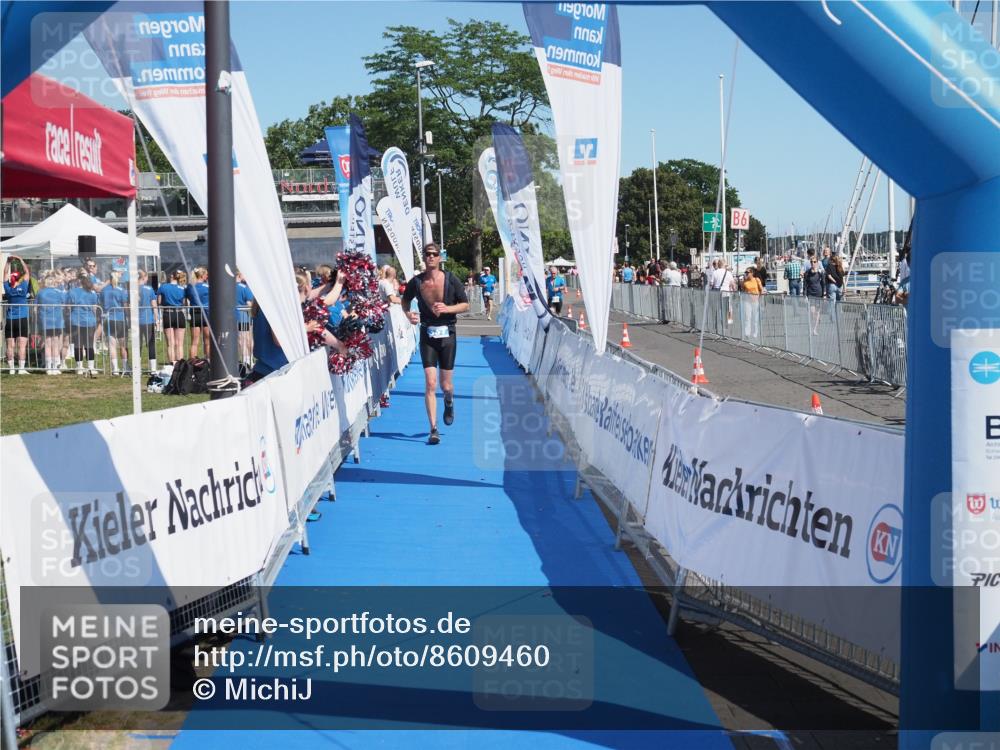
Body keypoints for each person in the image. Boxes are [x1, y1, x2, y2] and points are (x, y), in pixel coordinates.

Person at [402, 243, 469, 445]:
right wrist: (409, 315)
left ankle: (449, 400)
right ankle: (433, 428)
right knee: (430, 383)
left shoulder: (450, 279)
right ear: (423, 258)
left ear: (440, 258)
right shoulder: (416, 282)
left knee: (445, 385)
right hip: (427, 334)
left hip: (447, 334)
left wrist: (448, 309)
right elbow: (405, 301)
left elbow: (465, 304)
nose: (431, 257)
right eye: (427, 254)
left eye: (434, 254)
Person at [3, 256, 31, 374]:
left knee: (10, 345)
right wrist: (21, 260)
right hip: (22, 318)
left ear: (11, 279)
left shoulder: (8, 289)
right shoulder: (23, 288)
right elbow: (27, 272)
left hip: (10, 319)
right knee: (22, 345)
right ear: (19, 279)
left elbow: (4, 274)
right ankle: (21, 368)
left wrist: (8, 263)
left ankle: (11, 369)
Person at [36, 271, 67, 375]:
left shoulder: (40, 292)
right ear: (54, 282)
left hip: (45, 320)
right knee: (55, 344)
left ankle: (48, 367)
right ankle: (54, 366)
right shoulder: (59, 292)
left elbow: (36, 307)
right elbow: (64, 304)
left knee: (48, 344)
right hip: (57, 320)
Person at [69, 271, 99, 375]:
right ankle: (91, 367)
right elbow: (95, 308)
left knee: (78, 344)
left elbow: (69, 306)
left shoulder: (72, 292)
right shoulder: (92, 293)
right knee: (89, 344)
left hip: (76, 320)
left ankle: (79, 367)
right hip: (90, 321)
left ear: (79, 281)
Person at [101, 271, 129, 375]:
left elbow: (101, 303)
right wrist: (128, 316)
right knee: (123, 345)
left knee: (112, 345)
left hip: (108, 319)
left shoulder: (104, 290)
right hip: (120, 319)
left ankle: (115, 369)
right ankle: (125, 366)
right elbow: (125, 305)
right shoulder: (121, 290)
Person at [158, 270, 188, 364]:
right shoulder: (182, 288)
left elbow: (159, 302)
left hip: (168, 313)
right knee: (180, 344)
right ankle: (180, 364)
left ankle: (172, 364)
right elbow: (184, 303)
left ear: (171, 276)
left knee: (170, 343)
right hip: (179, 314)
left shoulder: (163, 287)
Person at [136, 270, 159, 372]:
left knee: (138, 344)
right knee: (151, 344)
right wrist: (157, 319)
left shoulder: (132, 289)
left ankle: (137, 368)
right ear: (144, 277)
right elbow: (154, 305)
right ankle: (153, 368)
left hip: (136, 321)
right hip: (148, 320)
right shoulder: (149, 289)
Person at [186, 267, 210, 360]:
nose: (207, 276)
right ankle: (208, 361)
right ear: (202, 275)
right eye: (206, 274)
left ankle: (192, 363)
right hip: (206, 314)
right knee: (207, 341)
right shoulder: (207, 287)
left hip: (194, 313)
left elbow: (187, 298)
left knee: (194, 342)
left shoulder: (190, 286)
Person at [235, 272, 254, 368]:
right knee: (246, 339)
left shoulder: (227, 287)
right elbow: (249, 303)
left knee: (240, 340)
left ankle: (246, 360)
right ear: (239, 275)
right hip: (244, 317)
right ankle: (248, 360)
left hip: (232, 317)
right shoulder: (243, 287)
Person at [803, 257, 826, 335]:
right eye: (812, 262)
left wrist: (824, 294)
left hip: (819, 293)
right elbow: (805, 284)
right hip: (810, 294)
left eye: (815, 262)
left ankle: (814, 329)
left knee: (817, 312)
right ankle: (811, 327)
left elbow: (823, 283)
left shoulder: (820, 272)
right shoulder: (807, 273)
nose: (813, 263)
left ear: (817, 262)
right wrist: (805, 295)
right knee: (812, 312)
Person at [741, 267, 764, 339]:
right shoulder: (745, 282)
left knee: (755, 318)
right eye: (745, 272)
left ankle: (755, 332)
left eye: (747, 272)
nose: (746, 274)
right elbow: (743, 290)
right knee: (747, 317)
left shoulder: (756, 280)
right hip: (747, 301)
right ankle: (747, 332)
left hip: (755, 301)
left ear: (752, 273)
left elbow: (761, 289)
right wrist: (741, 282)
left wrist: (761, 297)